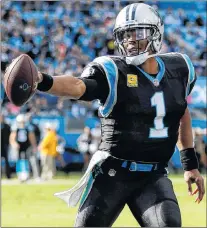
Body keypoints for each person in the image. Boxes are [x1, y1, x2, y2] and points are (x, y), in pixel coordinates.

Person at [9, 3, 205, 227]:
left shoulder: (179, 68)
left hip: (153, 175)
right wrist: (42, 81)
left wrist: (190, 165)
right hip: (112, 174)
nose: (131, 40)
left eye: (138, 32)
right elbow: (78, 86)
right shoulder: (113, 71)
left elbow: (181, 113)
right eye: (125, 34)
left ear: (156, 32)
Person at [9, 114, 38, 180]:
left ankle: (26, 173)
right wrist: (14, 144)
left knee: (26, 159)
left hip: (26, 146)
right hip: (18, 146)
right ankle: (20, 174)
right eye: (20, 122)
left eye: (23, 121)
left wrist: (34, 146)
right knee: (19, 160)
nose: (22, 123)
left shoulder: (28, 127)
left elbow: (32, 137)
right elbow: (12, 138)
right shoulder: (15, 128)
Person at [1, 113, 11, 179]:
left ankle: (8, 175)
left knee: (7, 161)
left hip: (5, 145)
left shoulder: (7, 126)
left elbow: (10, 136)